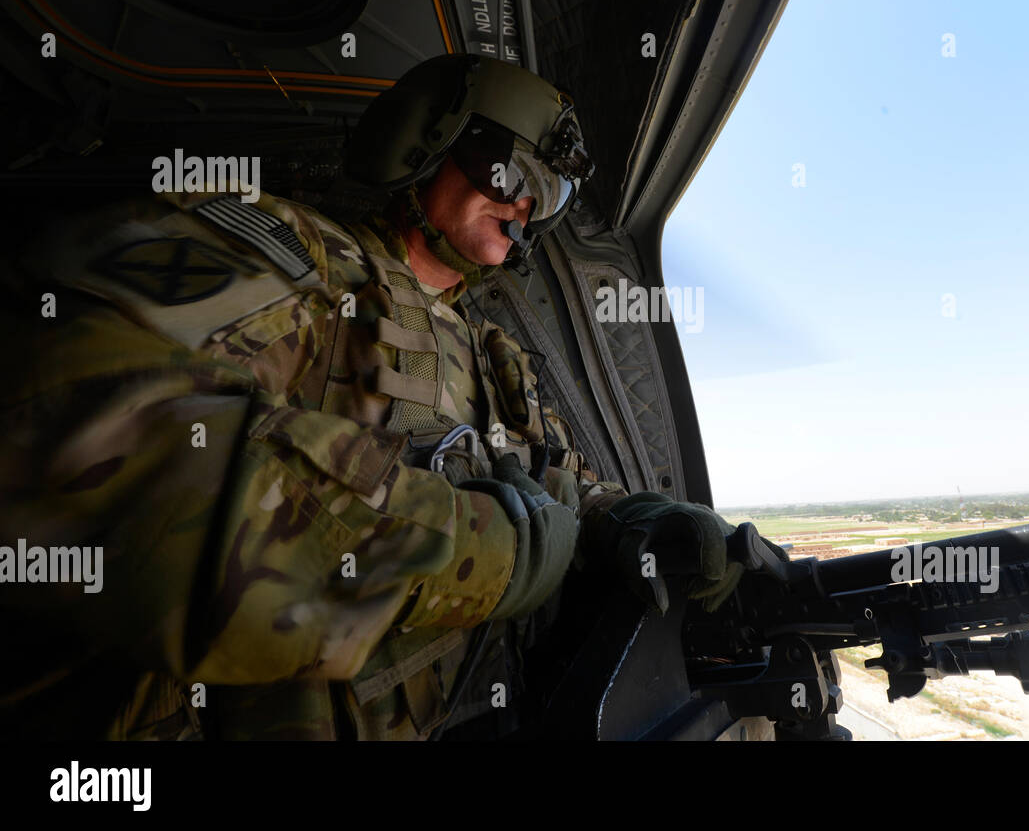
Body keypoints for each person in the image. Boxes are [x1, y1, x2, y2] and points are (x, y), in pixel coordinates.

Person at [0, 54, 747, 740]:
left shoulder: (496, 357)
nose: (526, 210)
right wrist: (475, 550)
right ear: (429, 139)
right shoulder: (300, 254)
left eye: (546, 200)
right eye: (512, 175)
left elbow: (558, 486)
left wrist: (628, 517)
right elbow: (73, 421)